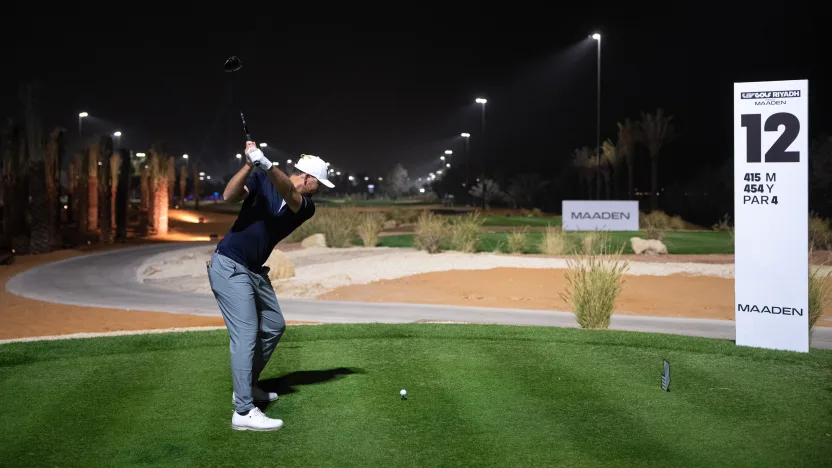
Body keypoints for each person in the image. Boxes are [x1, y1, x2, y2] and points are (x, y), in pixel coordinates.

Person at [207, 141, 334, 431]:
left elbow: (288, 192)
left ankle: (247, 385)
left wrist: (266, 163)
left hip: (255, 271)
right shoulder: (260, 178)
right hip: (229, 264)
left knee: (275, 325)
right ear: (308, 177)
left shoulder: (306, 206)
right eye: (320, 183)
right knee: (247, 333)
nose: (321, 190)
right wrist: (250, 165)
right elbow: (229, 195)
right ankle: (242, 411)